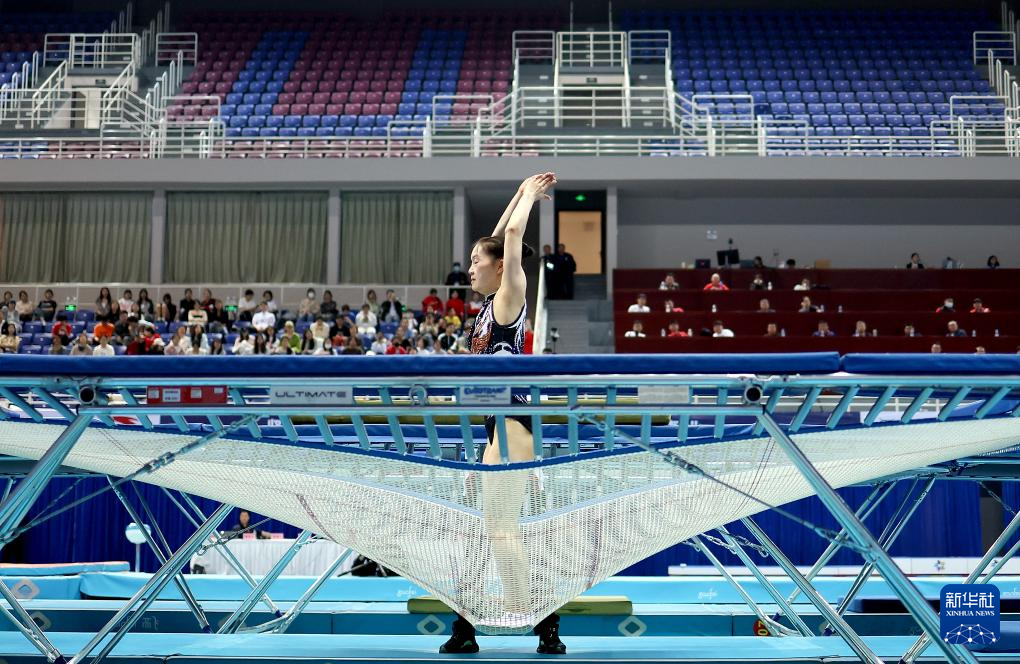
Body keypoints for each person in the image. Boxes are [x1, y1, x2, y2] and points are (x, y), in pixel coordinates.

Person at [441, 172, 564, 656]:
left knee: (500, 528)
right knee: (487, 529)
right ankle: (477, 624)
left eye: (476, 262)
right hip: (496, 427)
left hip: (513, 424)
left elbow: (509, 237)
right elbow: (496, 237)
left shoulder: (510, 297)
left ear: (499, 268)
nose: (469, 268)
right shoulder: (489, 303)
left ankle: (530, 609)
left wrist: (528, 197)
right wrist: (515, 194)